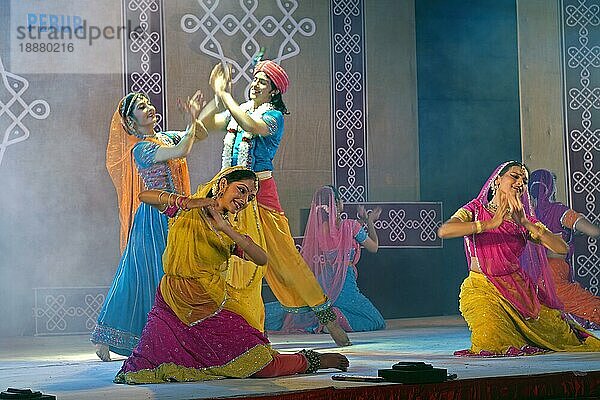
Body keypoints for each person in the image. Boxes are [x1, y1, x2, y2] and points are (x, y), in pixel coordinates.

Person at [114, 167, 349, 384]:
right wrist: (188, 202)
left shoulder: (229, 232)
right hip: (171, 307)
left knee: (262, 365)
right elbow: (145, 196)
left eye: (250, 198)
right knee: (139, 371)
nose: (244, 201)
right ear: (223, 183)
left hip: (209, 307)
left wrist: (226, 229)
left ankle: (312, 360)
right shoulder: (185, 211)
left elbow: (261, 258)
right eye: (241, 191)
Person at [196, 60, 351, 346]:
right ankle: (238, 328)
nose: (255, 84)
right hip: (229, 195)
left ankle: (328, 319)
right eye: (254, 79)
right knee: (232, 261)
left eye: (262, 82)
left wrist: (225, 95)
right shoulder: (239, 109)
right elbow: (207, 126)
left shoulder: (274, 116)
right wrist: (213, 100)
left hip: (260, 193)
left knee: (286, 260)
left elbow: (250, 125)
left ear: (274, 92)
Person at [437, 161, 600, 356]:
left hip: (519, 291)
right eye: (514, 176)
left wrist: (524, 222)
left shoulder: (525, 220)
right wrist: (491, 223)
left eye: (524, 180)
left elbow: (561, 247)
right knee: (492, 340)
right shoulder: (475, 209)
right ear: (497, 180)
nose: (520, 182)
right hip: (483, 288)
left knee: (560, 335)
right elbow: (445, 230)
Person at [91, 92, 206, 361]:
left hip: (175, 215)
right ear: (131, 124)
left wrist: (205, 105)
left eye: (148, 104)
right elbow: (183, 149)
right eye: (141, 108)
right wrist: (192, 117)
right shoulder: (141, 149)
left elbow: (199, 131)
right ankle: (110, 336)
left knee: (167, 273)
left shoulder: (163, 137)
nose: (149, 108)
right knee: (146, 275)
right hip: (153, 218)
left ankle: (172, 334)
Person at [265, 185, 386, 333]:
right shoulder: (351, 226)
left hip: (326, 279)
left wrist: (362, 221)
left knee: (301, 308)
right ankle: (333, 319)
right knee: (376, 320)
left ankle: (257, 316)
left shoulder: (322, 228)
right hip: (344, 281)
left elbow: (340, 237)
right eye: (340, 200)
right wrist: (371, 221)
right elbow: (373, 247)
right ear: (337, 203)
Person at [529, 168, 600, 328]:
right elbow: (594, 232)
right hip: (553, 275)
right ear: (551, 187)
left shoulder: (526, 215)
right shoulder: (559, 211)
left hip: (532, 276)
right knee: (592, 307)